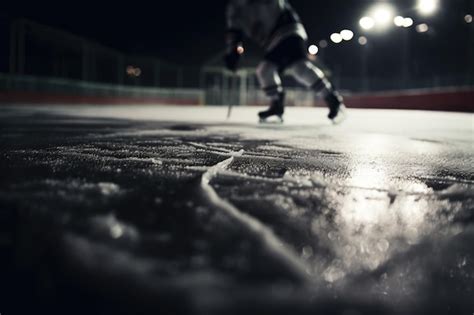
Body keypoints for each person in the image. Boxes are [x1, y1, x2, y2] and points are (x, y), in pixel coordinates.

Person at [224, 0, 346, 123]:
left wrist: (233, 51)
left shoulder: (238, 7)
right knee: (298, 68)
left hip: (287, 30)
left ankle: (277, 104)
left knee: (266, 69)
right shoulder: (234, 7)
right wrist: (232, 51)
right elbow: (234, 32)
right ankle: (331, 97)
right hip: (275, 40)